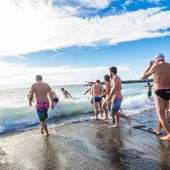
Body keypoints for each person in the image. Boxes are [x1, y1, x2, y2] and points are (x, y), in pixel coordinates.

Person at [141, 53, 170, 140]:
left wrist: (150, 66)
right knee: (162, 114)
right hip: (169, 92)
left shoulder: (156, 67)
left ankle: (169, 135)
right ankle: (158, 129)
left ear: (156, 60)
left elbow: (143, 77)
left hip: (159, 92)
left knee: (161, 115)